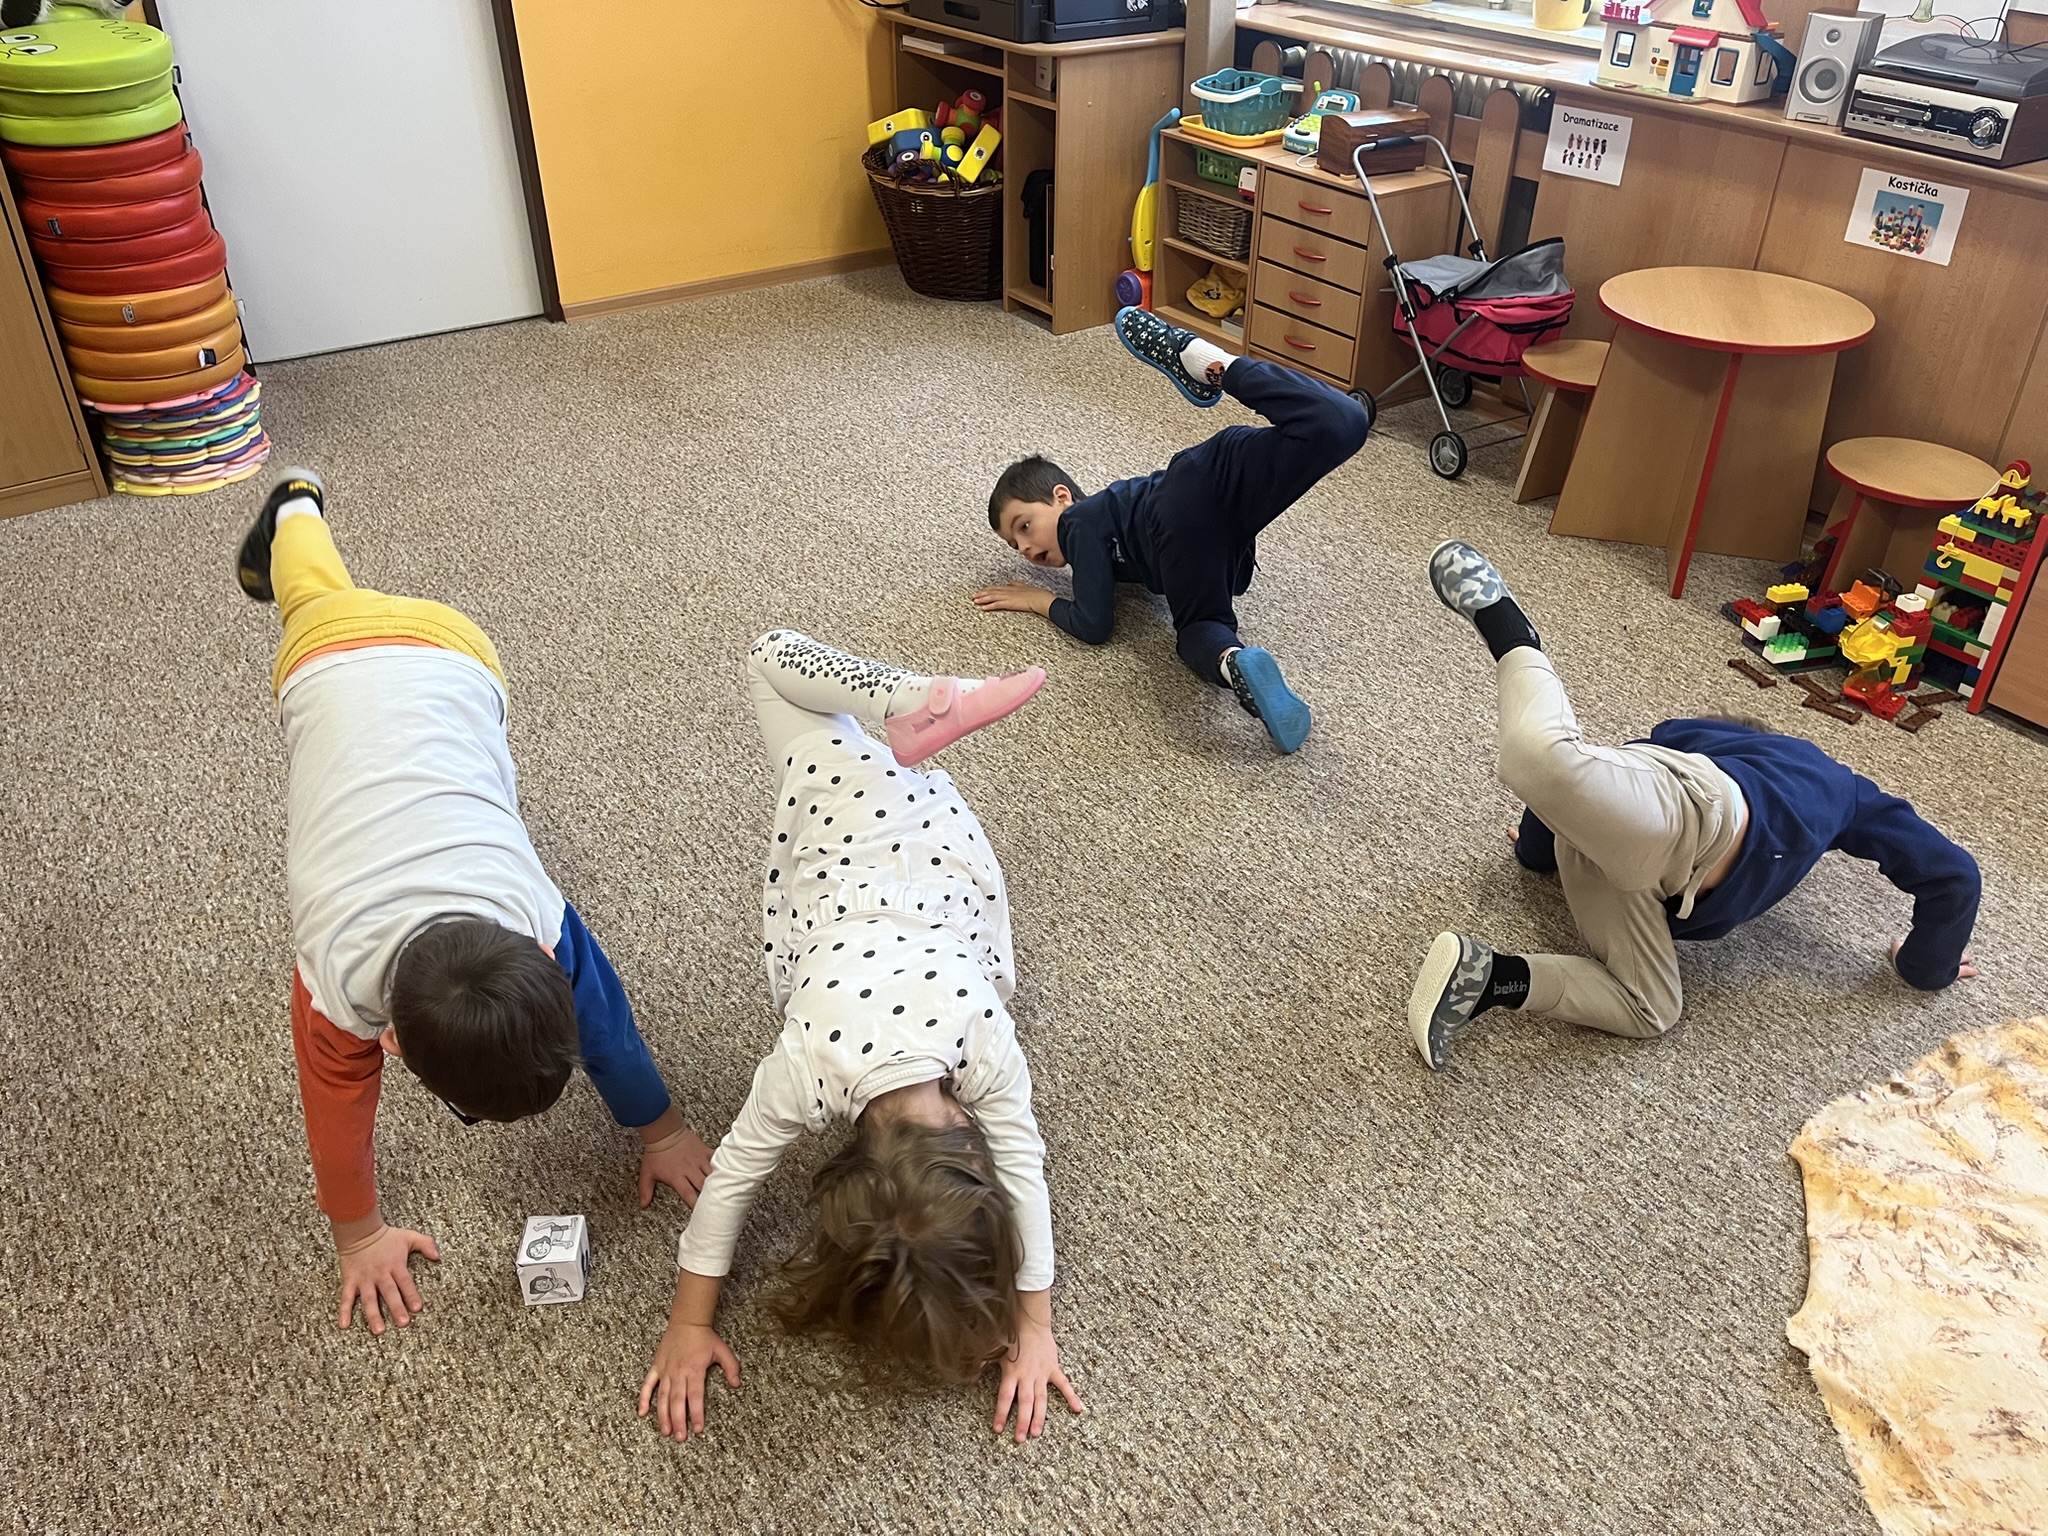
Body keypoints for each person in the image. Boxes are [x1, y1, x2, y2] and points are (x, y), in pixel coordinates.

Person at [235, 468, 714, 1334]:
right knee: (312, 599)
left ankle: (299, 506)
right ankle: (295, 508)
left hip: (452, 661)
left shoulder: (532, 912)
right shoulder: (337, 978)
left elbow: (601, 1027)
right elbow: (333, 1117)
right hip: (371, 660)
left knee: (320, 596)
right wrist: (358, 1237)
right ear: (387, 1040)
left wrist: (666, 1131)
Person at [638, 631, 1082, 1445]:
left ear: (965, 1138)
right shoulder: (808, 1066)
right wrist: (687, 1323)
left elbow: (1024, 1173)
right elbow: (729, 1184)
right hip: (846, 828)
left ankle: (914, 706)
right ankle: (912, 705)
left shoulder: (977, 1040)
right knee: (769, 659)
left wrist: (1034, 1323)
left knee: (772, 659)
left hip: (936, 843)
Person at [1407, 540, 1981, 1070]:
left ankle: (1489, 978)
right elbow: (1955, 873)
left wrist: (1538, 852)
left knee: (1651, 1010)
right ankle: (1510, 630)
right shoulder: (1826, 783)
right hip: (1694, 816)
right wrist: (1925, 965)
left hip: (1640, 875)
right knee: (1537, 760)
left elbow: (1586, 798)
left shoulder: (1822, 779)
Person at [973, 307, 1371, 754]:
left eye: (1024, 526)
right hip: (1215, 499)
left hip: (1186, 498)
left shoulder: (1077, 523)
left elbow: (1093, 623)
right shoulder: (1107, 527)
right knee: (1343, 423)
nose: (1025, 548)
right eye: (1015, 544)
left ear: (1062, 498)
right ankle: (1237, 662)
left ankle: (1230, 661)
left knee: (1201, 628)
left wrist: (1039, 600)